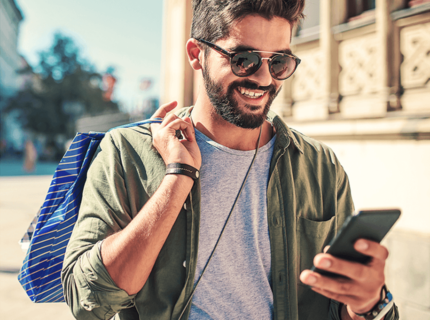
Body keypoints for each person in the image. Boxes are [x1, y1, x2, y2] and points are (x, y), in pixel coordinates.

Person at [62, 1, 399, 319]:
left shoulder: (319, 165)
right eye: (244, 59)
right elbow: (88, 300)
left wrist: (367, 303)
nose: (265, 79)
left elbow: (336, 307)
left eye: (278, 62)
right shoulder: (127, 152)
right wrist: (178, 177)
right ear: (197, 54)